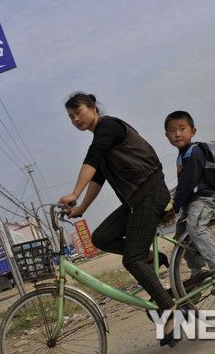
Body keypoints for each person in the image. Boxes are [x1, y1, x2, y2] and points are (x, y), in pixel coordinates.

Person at [58, 92, 178, 346]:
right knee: (101, 237)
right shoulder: (102, 139)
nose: (75, 119)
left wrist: (74, 193)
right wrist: (81, 208)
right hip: (135, 200)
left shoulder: (108, 127)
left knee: (131, 259)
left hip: (149, 193)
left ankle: (169, 309)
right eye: (71, 117)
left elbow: (91, 160)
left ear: (92, 107)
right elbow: (98, 177)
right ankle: (148, 257)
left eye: (78, 112)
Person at [164, 110, 215, 294]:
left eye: (182, 128)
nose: (177, 134)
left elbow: (187, 183)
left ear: (193, 131)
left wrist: (175, 205)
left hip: (206, 197)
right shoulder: (182, 155)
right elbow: (184, 185)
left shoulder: (194, 152)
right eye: (172, 130)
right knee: (180, 235)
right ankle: (197, 272)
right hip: (194, 200)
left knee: (195, 225)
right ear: (167, 135)